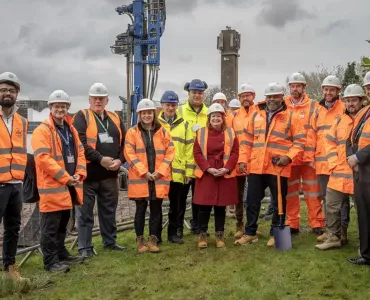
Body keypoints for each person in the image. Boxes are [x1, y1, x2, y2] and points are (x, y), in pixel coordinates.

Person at [235, 83, 306, 247]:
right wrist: (243, 160)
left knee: (279, 203)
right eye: (270, 97)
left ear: (282, 97)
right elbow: (246, 141)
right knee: (252, 201)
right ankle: (250, 233)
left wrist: (288, 157)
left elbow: (300, 141)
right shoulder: (255, 116)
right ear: (265, 98)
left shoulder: (291, 117)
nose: (272, 99)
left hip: (278, 167)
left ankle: (277, 233)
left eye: (276, 96)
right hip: (256, 166)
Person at [32, 90, 86, 272]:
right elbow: (42, 158)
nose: (60, 109)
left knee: (63, 223)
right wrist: (66, 177)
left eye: (64, 106)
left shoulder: (71, 130)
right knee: (50, 227)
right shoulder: (42, 130)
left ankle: (62, 254)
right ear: (50, 107)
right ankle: (50, 261)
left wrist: (79, 173)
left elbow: (80, 152)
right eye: (57, 106)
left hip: (69, 185)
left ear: (68, 108)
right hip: (53, 187)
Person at [73, 83, 126, 258]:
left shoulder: (115, 117)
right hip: (88, 175)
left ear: (107, 100)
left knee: (109, 211)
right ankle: (85, 248)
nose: (98, 101)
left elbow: (126, 143)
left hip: (110, 176)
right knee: (85, 213)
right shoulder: (81, 117)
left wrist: (120, 160)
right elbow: (80, 143)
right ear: (89, 99)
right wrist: (100, 159)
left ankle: (110, 242)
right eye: (95, 98)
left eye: (101, 98)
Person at [316, 84, 365, 250]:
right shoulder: (339, 120)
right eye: (348, 100)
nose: (350, 104)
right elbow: (328, 141)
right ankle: (334, 236)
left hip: (360, 173)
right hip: (338, 173)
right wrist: (333, 162)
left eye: (354, 100)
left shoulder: (366, 118)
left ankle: (363, 242)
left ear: (361, 100)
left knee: (363, 209)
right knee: (330, 205)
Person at [124, 99, 175, 253]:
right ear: (139, 114)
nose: (147, 115)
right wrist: (143, 172)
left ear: (154, 113)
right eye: (144, 113)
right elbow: (129, 154)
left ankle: (153, 240)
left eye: (149, 113)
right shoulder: (132, 132)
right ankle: (140, 242)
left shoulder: (163, 131)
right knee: (140, 210)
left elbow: (170, 152)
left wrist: (160, 171)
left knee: (156, 209)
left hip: (158, 178)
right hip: (141, 179)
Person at [193, 103, 239, 248]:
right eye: (213, 116)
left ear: (223, 118)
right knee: (204, 207)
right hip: (207, 173)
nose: (216, 118)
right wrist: (208, 168)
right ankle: (202, 236)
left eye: (218, 116)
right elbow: (197, 153)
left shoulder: (231, 133)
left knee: (220, 206)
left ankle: (220, 236)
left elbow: (235, 153)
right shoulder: (201, 133)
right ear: (209, 118)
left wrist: (226, 169)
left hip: (224, 173)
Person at [284, 72, 324, 234]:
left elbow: (320, 130)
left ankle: (317, 223)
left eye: (298, 86)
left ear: (304, 87)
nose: (295, 89)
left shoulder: (314, 106)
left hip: (309, 157)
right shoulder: (282, 104)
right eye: (292, 86)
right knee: (290, 193)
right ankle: (292, 223)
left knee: (313, 193)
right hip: (290, 158)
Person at [0, 72, 29, 286]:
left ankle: (9, 268)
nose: (7, 93)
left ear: (16, 93)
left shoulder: (22, 121)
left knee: (13, 228)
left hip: (15, 184)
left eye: (11, 90)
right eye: (3, 90)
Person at [309, 75, 346, 242]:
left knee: (342, 199)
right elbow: (311, 135)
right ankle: (332, 230)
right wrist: (310, 156)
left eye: (331, 89)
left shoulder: (344, 108)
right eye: (326, 89)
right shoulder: (318, 109)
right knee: (327, 198)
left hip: (339, 162)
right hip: (322, 162)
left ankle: (342, 231)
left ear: (338, 91)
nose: (328, 92)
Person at [158, 91, 194, 244]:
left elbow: (189, 149)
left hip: (178, 172)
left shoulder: (185, 125)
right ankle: (156, 235)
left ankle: (174, 233)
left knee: (176, 206)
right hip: (159, 172)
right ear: (162, 105)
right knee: (156, 206)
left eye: (173, 105)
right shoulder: (155, 124)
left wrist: (189, 172)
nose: (171, 108)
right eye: (168, 105)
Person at [178, 79, 208, 235]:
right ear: (188, 93)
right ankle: (177, 228)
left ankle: (197, 225)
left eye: (200, 92)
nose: (197, 95)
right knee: (180, 197)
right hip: (184, 162)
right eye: (194, 92)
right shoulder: (180, 111)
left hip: (201, 163)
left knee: (199, 197)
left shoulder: (208, 113)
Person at [346, 74, 370, 266]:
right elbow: (351, 137)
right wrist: (351, 156)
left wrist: (358, 157)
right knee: (363, 213)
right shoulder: (365, 112)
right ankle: (367, 254)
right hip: (361, 172)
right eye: (368, 88)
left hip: (366, 166)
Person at [232, 83, 256, 239]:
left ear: (253, 96)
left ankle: (251, 226)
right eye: (242, 96)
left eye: (248, 95)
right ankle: (240, 225)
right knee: (238, 195)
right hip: (238, 161)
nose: (245, 98)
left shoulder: (260, 113)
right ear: (239, 98)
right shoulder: (234, 116)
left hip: (255, 159)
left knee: (254, 195)